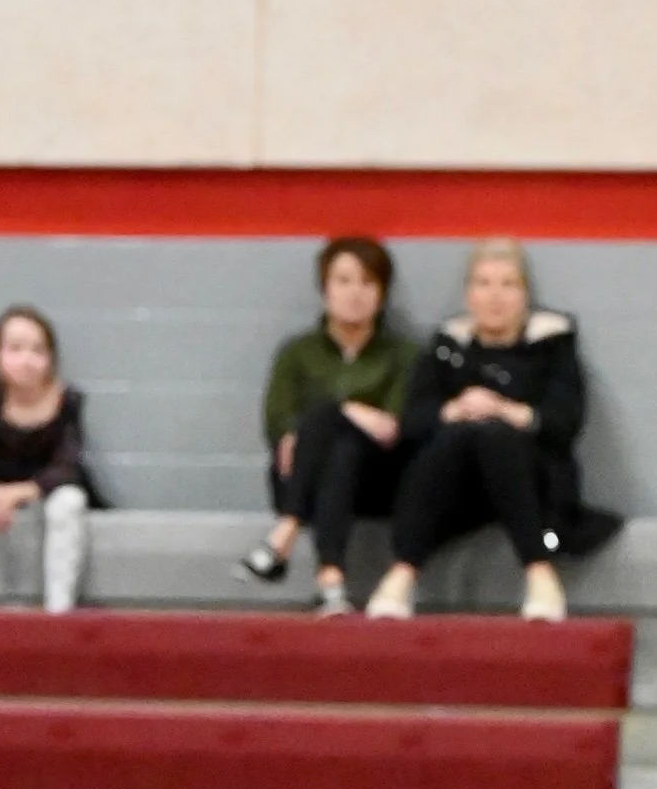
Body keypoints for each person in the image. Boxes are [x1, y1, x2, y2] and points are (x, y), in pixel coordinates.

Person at [368, 241, 618, 624]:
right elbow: (413, 423)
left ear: (524, 294)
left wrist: (505, 411)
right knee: (457, 435)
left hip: (537, 490)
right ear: (469, 294)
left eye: (507, 284)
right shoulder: (446, 348)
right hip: (459, 492)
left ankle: (539, 570)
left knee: (492, 434)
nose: (495, 296)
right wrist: (453, 410)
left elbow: (565, 420)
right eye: (484, 284)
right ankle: (403, 572)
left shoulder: (553, 346)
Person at [241, 236, 414, 615]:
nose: (355, 293)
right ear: (325, 290)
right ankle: (330, 581)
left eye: (367, 283)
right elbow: (278, 426)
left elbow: (391, 428)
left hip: (377, 481)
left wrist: (342, 412)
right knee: (335, 442)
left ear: (382, 293)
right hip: (301, 475)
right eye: (344, 281)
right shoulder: (297, 353)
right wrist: (321, 429)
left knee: (334, 428)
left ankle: (285, 534)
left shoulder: (404, 354)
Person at [0, 305, 101, 613]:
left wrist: (18, 494)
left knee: (69, 503)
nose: (26, 361)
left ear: (51, 358)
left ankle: (59, 610)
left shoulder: (68, 400)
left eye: (38, 351)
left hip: (45, 490)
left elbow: (67, 466)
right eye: (15, 349)